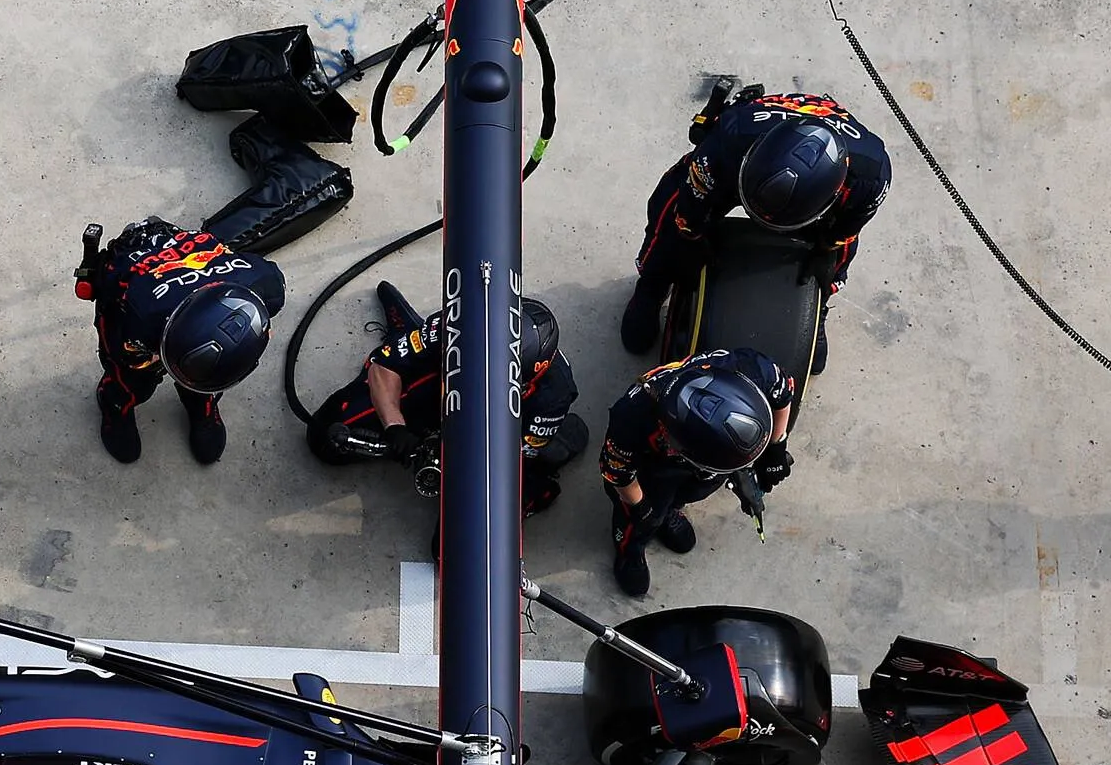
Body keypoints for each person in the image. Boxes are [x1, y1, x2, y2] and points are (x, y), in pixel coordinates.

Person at [616, 84, 892, 356]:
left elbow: (848, 227)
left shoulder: (871, 178)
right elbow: (690, 204)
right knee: (671, 209)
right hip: (740, 155)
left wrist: (826, 251)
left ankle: (817, 308)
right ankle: (651, 287)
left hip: (822, 183)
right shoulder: (727, 141)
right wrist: (691, 238)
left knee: (838, 252)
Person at [304, 287, 588, 515]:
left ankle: (539, 489)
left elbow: (507, 462)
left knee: (453, 551)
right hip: (441, 389)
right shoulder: (460, 321)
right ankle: (409, 339)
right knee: (324, 436)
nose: (484, 384)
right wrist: (395, 426)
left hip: (495, 437)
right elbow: (383, 368)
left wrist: (454, 454)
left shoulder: (553, 396)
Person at [74, 217, 284, 466]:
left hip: (183, 251)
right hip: (133, 278)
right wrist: (148, 360)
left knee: (208, 369)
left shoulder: (267, 285)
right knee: (132, 379)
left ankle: (200, 396)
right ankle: (116, 402)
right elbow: (124, 350)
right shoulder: (138, 318)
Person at [599, 349, 796, 600]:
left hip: (699, 461)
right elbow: (618, 472)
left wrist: (777, 447)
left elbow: (782, 391)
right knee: (643, 514)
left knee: (693, 491)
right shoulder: (630, 419)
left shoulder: (753, 369)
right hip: (652, 466)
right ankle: (631, 548)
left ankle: (670, 511)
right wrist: (642, 509)